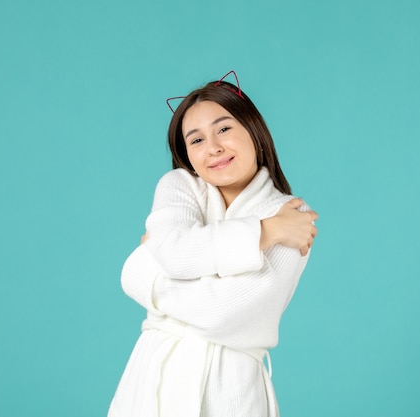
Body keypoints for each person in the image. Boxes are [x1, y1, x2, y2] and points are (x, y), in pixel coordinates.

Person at [108, 71, 318, 417]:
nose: (214, 148)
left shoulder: (292, 215)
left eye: (223, 129)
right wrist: (264, 232)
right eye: (196, 140)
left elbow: (223, 312)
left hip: (231, 390)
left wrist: (145, 273)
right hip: (151, 381)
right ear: (187, 154)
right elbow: (176, 256)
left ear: (254, 129)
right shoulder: (178, 186)